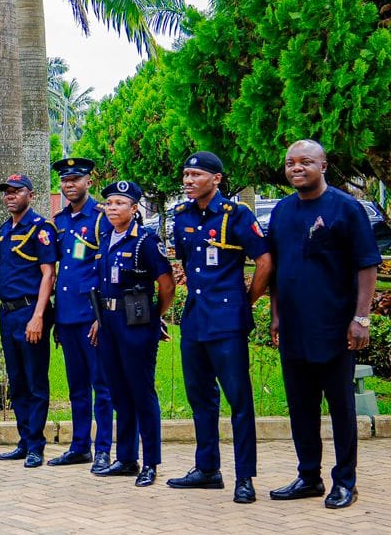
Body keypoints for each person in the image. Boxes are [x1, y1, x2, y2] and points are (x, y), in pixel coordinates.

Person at [267, 140, 380, 510]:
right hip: (294, 329)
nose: (296, 168)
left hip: (335, 328)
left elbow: (367, 264)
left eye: (305, 162)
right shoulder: (282, 211)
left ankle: (345, 481)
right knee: (300, 406)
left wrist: (360, 319)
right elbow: (276, 271)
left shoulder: (346, 209)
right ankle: (309, 477)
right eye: (290, 163)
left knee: (341, 407)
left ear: (324, 165)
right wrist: (276, 315)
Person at [168, 151, 272, 503]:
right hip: (195, 319)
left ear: (217, 179)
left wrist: (249, 300)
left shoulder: (236, 215)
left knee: (239, 400)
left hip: (227, 321)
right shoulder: (181, 217)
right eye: (185, 175)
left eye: (196, 175)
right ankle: (207, 468)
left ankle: (245, 477)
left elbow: (264, 260)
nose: (188, 181)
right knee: (200, 397)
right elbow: (187, 261)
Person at [88, 181, 175, 488]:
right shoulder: (106, 239)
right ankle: (126, 458)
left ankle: (150, 462)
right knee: (119, 393)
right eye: (109, 203)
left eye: (120, 203)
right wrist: (100, 320)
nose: (113, 208)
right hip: (109, 324)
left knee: (141, 393)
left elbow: (167, 284)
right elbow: (103, 286)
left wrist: (156, 316)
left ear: (134, 209)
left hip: (136, 325)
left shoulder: (145, 242)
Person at [50, 158, 113, 472]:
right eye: (65, 180)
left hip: (92, 318)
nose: (69, 185)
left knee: (101, 386)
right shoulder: (59, 221)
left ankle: (103, 448)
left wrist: (101, 318)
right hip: (67, 316)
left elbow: (105, 269)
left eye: (75, 179)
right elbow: (60, 270)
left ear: (89, 181)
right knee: (77, 387)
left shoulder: (101, 218)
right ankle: (79, 446)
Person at [0, 174, 58, 467]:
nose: (10, 196)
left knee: (34, 382)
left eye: (16, 191)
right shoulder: (5, 229)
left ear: (30, 195)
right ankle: (24, 440)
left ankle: (36, 445)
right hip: (8, 315)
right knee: (17, 382)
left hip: (30, 312)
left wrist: (38, 316)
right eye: (7, 192)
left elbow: (48, 273)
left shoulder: (40, 228)